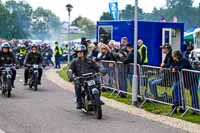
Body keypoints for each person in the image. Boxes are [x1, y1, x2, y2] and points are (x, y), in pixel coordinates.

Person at [68, 44, 103, 109]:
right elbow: (70, 70)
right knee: (77, 85)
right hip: (80, 79)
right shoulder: (74, 62)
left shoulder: (90, 60)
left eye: (81, 52)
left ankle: (98, 99)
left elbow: (97, 67)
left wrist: (101, 70)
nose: (80, 53)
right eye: (78, 52)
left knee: (98, 82)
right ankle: (79, 102)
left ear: (84, 53)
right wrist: (70, 76)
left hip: (91, 78)